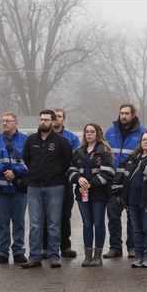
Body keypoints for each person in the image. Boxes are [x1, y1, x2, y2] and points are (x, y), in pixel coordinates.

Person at [21, 111, 73, 269]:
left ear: (53, 121)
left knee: (54, 224)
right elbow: (27, 159)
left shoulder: (62, 141)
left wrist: (55, 175)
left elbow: (67, 162)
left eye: (46, 119)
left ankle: (54, 256)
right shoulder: (31, 140)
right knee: (35, 224)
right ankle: (34, 257)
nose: (43, 122)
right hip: (34, 187)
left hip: (54, 187)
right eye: (41, 119)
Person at [67, 123, 115, 267]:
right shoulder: (78, 152)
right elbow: (70, 171)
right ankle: (88, 255)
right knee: (87, 223)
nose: (89, 134)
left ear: (98, 133)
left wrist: (91, 183)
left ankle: (98, 255)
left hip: (99, 193)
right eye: (87, 131)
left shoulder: (104, 152)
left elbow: (108, 173)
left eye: (92, 131)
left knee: (98, 222)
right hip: (82, 193)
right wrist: (78, 178)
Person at [104, 104, 147, 259]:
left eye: (127, 113)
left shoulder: (142, 133)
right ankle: (115, 247)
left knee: (132, 218)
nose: (123, 116)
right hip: (113, 182)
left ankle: (133, 247)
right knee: (113, 217)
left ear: (133, 115)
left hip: (132, 182)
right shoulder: (111, 132)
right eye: (121, 113)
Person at [118, 130, 147, 268]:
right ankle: (139, 256)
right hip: (132, 200)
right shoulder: (133, 157)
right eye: (143, 140)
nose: (145, 142)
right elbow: (121, 171)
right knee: (136, 230)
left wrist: (144, 163)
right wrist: (118, 190)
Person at [0, 112, 28, 265]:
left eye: (8, 121)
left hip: (19, 188)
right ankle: (3, 252)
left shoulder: (26, 140)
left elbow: (31, 161)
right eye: (3, 121)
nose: (4, 123)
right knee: (2, 222)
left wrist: (15, 172)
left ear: (15, 123)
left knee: (19, 221)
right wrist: (5, 171)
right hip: (1, 188)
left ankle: (18, 251)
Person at [48, 108, 81, 259]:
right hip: (47, 181)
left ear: (63, 119)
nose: (56, 119)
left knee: (64, 215)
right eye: (53, 116)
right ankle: (45, 247)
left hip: (65, 181)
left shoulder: (72, 138)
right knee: (45, 215)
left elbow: (77, 159)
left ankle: (65, 246)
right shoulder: (42, 136)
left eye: (59, 116)